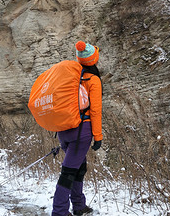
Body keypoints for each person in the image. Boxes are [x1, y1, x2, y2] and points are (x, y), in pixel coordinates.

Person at [52, 41, 103, 216]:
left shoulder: (71, 77)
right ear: (93, 59)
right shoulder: (93, 80)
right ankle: (59, 212)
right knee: (68, 173)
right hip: (81, 131)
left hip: (63, 129)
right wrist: (98, 136)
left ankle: (79, 205)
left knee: (78, 168)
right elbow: (95, 110)